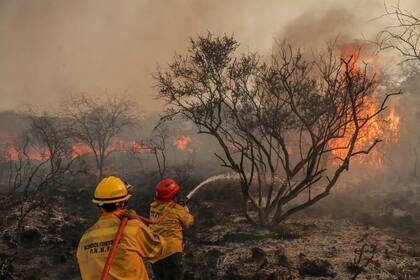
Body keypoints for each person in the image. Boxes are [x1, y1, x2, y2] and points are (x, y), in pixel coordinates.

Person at [77, 176, 169, 280]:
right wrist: (137, 221)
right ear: (121, 203)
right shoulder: (132, 228)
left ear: (99, 205)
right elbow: (159, 249)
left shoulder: (85, 239)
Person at [149, 178, 194, 280]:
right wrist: (184, 208)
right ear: (173, 196)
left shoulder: (153, 207)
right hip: (171, 253)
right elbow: (189, 222)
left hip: (155, 252)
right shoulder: (177, 210)